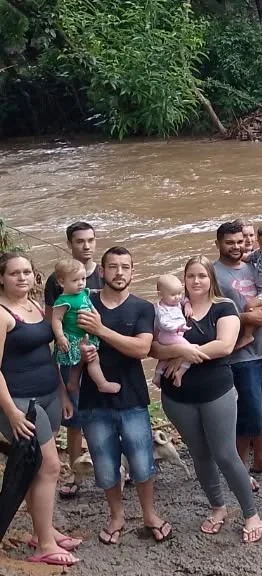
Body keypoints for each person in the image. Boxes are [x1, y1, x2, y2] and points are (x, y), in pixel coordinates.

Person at [153, 256, 262, 543]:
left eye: (202, 275)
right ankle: (217, 507)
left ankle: (251, 513)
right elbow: (152, 346)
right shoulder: (172, 307)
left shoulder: (224, 306)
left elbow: (225, 345)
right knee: (200, 454)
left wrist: (185, 353)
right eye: (191, 276)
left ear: (211, 279)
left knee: (225, 454)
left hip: (216, 391)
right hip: (177, 396)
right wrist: (180, 354)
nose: (196, 281)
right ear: (184, 279)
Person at [75, 246, 171, 545]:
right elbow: (66, 347)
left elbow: (142, 349)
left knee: (142, 463)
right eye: (113, 267)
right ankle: (116, 516)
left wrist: (101, 330)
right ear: (101, 271)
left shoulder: (142, 308)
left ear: (133, 271)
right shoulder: (84, 302)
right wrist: (72, 375)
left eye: (125, 267)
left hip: (132, 399)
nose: (119, 272)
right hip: (92, 400)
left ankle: (148, 514)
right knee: (104, 466)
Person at [0, 252, 79, 565]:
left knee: (39, 470)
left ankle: (42, 529)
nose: (22, 278)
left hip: (48, 394)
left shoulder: (34, 306)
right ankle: (45, 544)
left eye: (27, 272)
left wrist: (61, 393)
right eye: (14, 273)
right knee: (49, 467)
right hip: (21, 403)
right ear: (1, 278)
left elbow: (49, 355)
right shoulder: (3, 313)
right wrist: (11, 412)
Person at [213, 221, 262, 477]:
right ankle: (239, 468)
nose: (235, 247)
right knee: (250, 411)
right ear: (218, 244)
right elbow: (210, 313)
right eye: (229, 242)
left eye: (239, 242)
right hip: (240, 353)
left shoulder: (256, 264)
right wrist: (246, 320)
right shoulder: (214, 273)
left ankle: (261, 458)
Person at [44, 221, 101, 500]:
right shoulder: (58, 281)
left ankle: (114, 469)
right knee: (75, 417)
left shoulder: (105, 272)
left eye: (91, 240)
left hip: (101, 350)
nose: (86, 246)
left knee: (107, 410)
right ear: (70, 244)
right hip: (71, 355)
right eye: (80, 241)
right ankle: (77, 475)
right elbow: (50, 323)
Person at [49, 257, 121, 396]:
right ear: (61, 282)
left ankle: (76, 383)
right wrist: (60, 336)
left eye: (83, 279)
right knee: (82, 362)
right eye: (75, 280)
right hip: (73, 338)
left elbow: (89, 305)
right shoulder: (63, 301)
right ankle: (101, 384)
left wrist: (97, 316)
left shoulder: (83, 293)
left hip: (86, 335)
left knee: (91, 359)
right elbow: (56, 319)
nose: (80, 283)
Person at [152, 274, 190, 387]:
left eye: (179, 293)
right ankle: (180, 374)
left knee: (165, 358)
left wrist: (187, 305)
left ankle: (157, 376)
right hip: (167, 335)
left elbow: (184, 299)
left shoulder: (176, 302)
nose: (178, 297)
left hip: (176, 335)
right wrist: (178, 327)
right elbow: (164, 325)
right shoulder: (161, 309)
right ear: (160, 294)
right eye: (173, 295)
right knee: (190, 351)